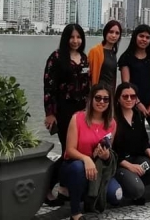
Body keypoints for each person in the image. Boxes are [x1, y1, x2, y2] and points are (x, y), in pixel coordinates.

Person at [43, 24, 90, 205]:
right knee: (67, 151)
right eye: (72, 37)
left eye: (78, 37)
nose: (75, 41)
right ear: (66, 38)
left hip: (81, 112)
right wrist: (50, 113)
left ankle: (64, 188)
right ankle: (48, 186)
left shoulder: (84, 59)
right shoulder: (56, 58)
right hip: (63, 110)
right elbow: (49, 87)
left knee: (76, 150)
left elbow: (88, 87)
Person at [61, 84, 120, 219]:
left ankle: (89, 199)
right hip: (73, 165)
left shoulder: (112, 123)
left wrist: (105, 156)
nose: (101, 102)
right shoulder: (78, 118)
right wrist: (86, 159)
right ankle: (75, 213)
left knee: (115, 195)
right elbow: (69, 150)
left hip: (98, 167)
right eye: (98, 98)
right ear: (90, 99)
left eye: (106, 99)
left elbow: (109, 149)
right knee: (78, 168)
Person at [112, 82, 150, 205]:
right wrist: (130, 166)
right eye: (125, 96)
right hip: (120, 163)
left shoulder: (138, 115)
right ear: (118, 98)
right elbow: (113, 150)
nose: (129, 99)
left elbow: (144, 139)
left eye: (132, 96)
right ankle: (129, 186)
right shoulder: (113, 118)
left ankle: (135, 181)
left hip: (138, 158)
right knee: (137, 190)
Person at [118, 24, 150, 127]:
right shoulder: (126, 58)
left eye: (147, 37)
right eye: (141, 36)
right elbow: (126, 84)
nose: (144, 39)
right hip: (133, 102)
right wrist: (138, 103)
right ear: (135, 37)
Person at [88, 20, 122, 91]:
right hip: (98, 93)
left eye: (117, 33)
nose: (114, 35)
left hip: (110, 93)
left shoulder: (113, 53)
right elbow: (88, 75)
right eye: (111, 32)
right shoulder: (95, 51)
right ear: (105, 32)